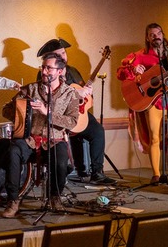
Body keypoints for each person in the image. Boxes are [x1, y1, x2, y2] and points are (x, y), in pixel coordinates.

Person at [116, 23, 168, 187]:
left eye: (158, 33)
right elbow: (120, 72)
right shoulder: (139, 56)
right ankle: (156, 174)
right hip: (154, 102)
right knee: (155, 137)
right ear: (147, 38)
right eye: (152, 34)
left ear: (163, 34)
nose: (156, 36)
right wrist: (133, 70)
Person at [0, 52, 80, 218]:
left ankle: (55, 197)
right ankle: (13, 200)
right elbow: (6, 110)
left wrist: (47, 113)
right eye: (43, 67)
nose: (44, 71)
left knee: (60, 160)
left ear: (60, 71)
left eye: (48, 68)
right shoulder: (30, 89)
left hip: (54, 140)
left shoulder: (70, 94)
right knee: (13, 152)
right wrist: (23, 111)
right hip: (30, 140)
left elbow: (72, 122)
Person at [36, 39, 116, 185]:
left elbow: (83, 91)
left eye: (64, 53)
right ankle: (79, 170)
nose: (63, 56)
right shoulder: (46, 73)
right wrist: (76, 93)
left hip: (78, 112)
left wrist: (87, 93)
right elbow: (49, 97)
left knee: (97, 131)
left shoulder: (73, 70)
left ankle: (97, 172)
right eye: (59, 54)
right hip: (59, 116)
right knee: (74, 133)